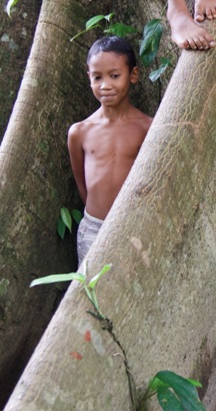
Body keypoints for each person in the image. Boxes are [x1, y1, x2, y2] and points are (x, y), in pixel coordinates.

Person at [67, 36, 153, 268]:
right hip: (93, 229)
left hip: (133, 229)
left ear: (133, 75)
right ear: (89, 78)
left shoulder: (148, 128)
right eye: (97, 77)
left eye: (114, 76)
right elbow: (83, 186)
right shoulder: (80, 132)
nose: (105, 85)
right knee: (92, 295)